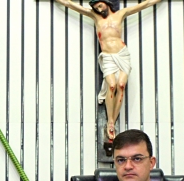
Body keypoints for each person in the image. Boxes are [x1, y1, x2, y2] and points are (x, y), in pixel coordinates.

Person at [54, 0, 161, 140]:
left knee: (121, 86)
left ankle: (113, 120)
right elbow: (69, 4)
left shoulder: (121, 14)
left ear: (106, 3)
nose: (98, 9)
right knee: (111, 85)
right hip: (108, 56)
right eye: (96, 7)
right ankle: (110, 121)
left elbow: (145, 4)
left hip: (122, 54)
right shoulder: (94, 16)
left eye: (99, 5)